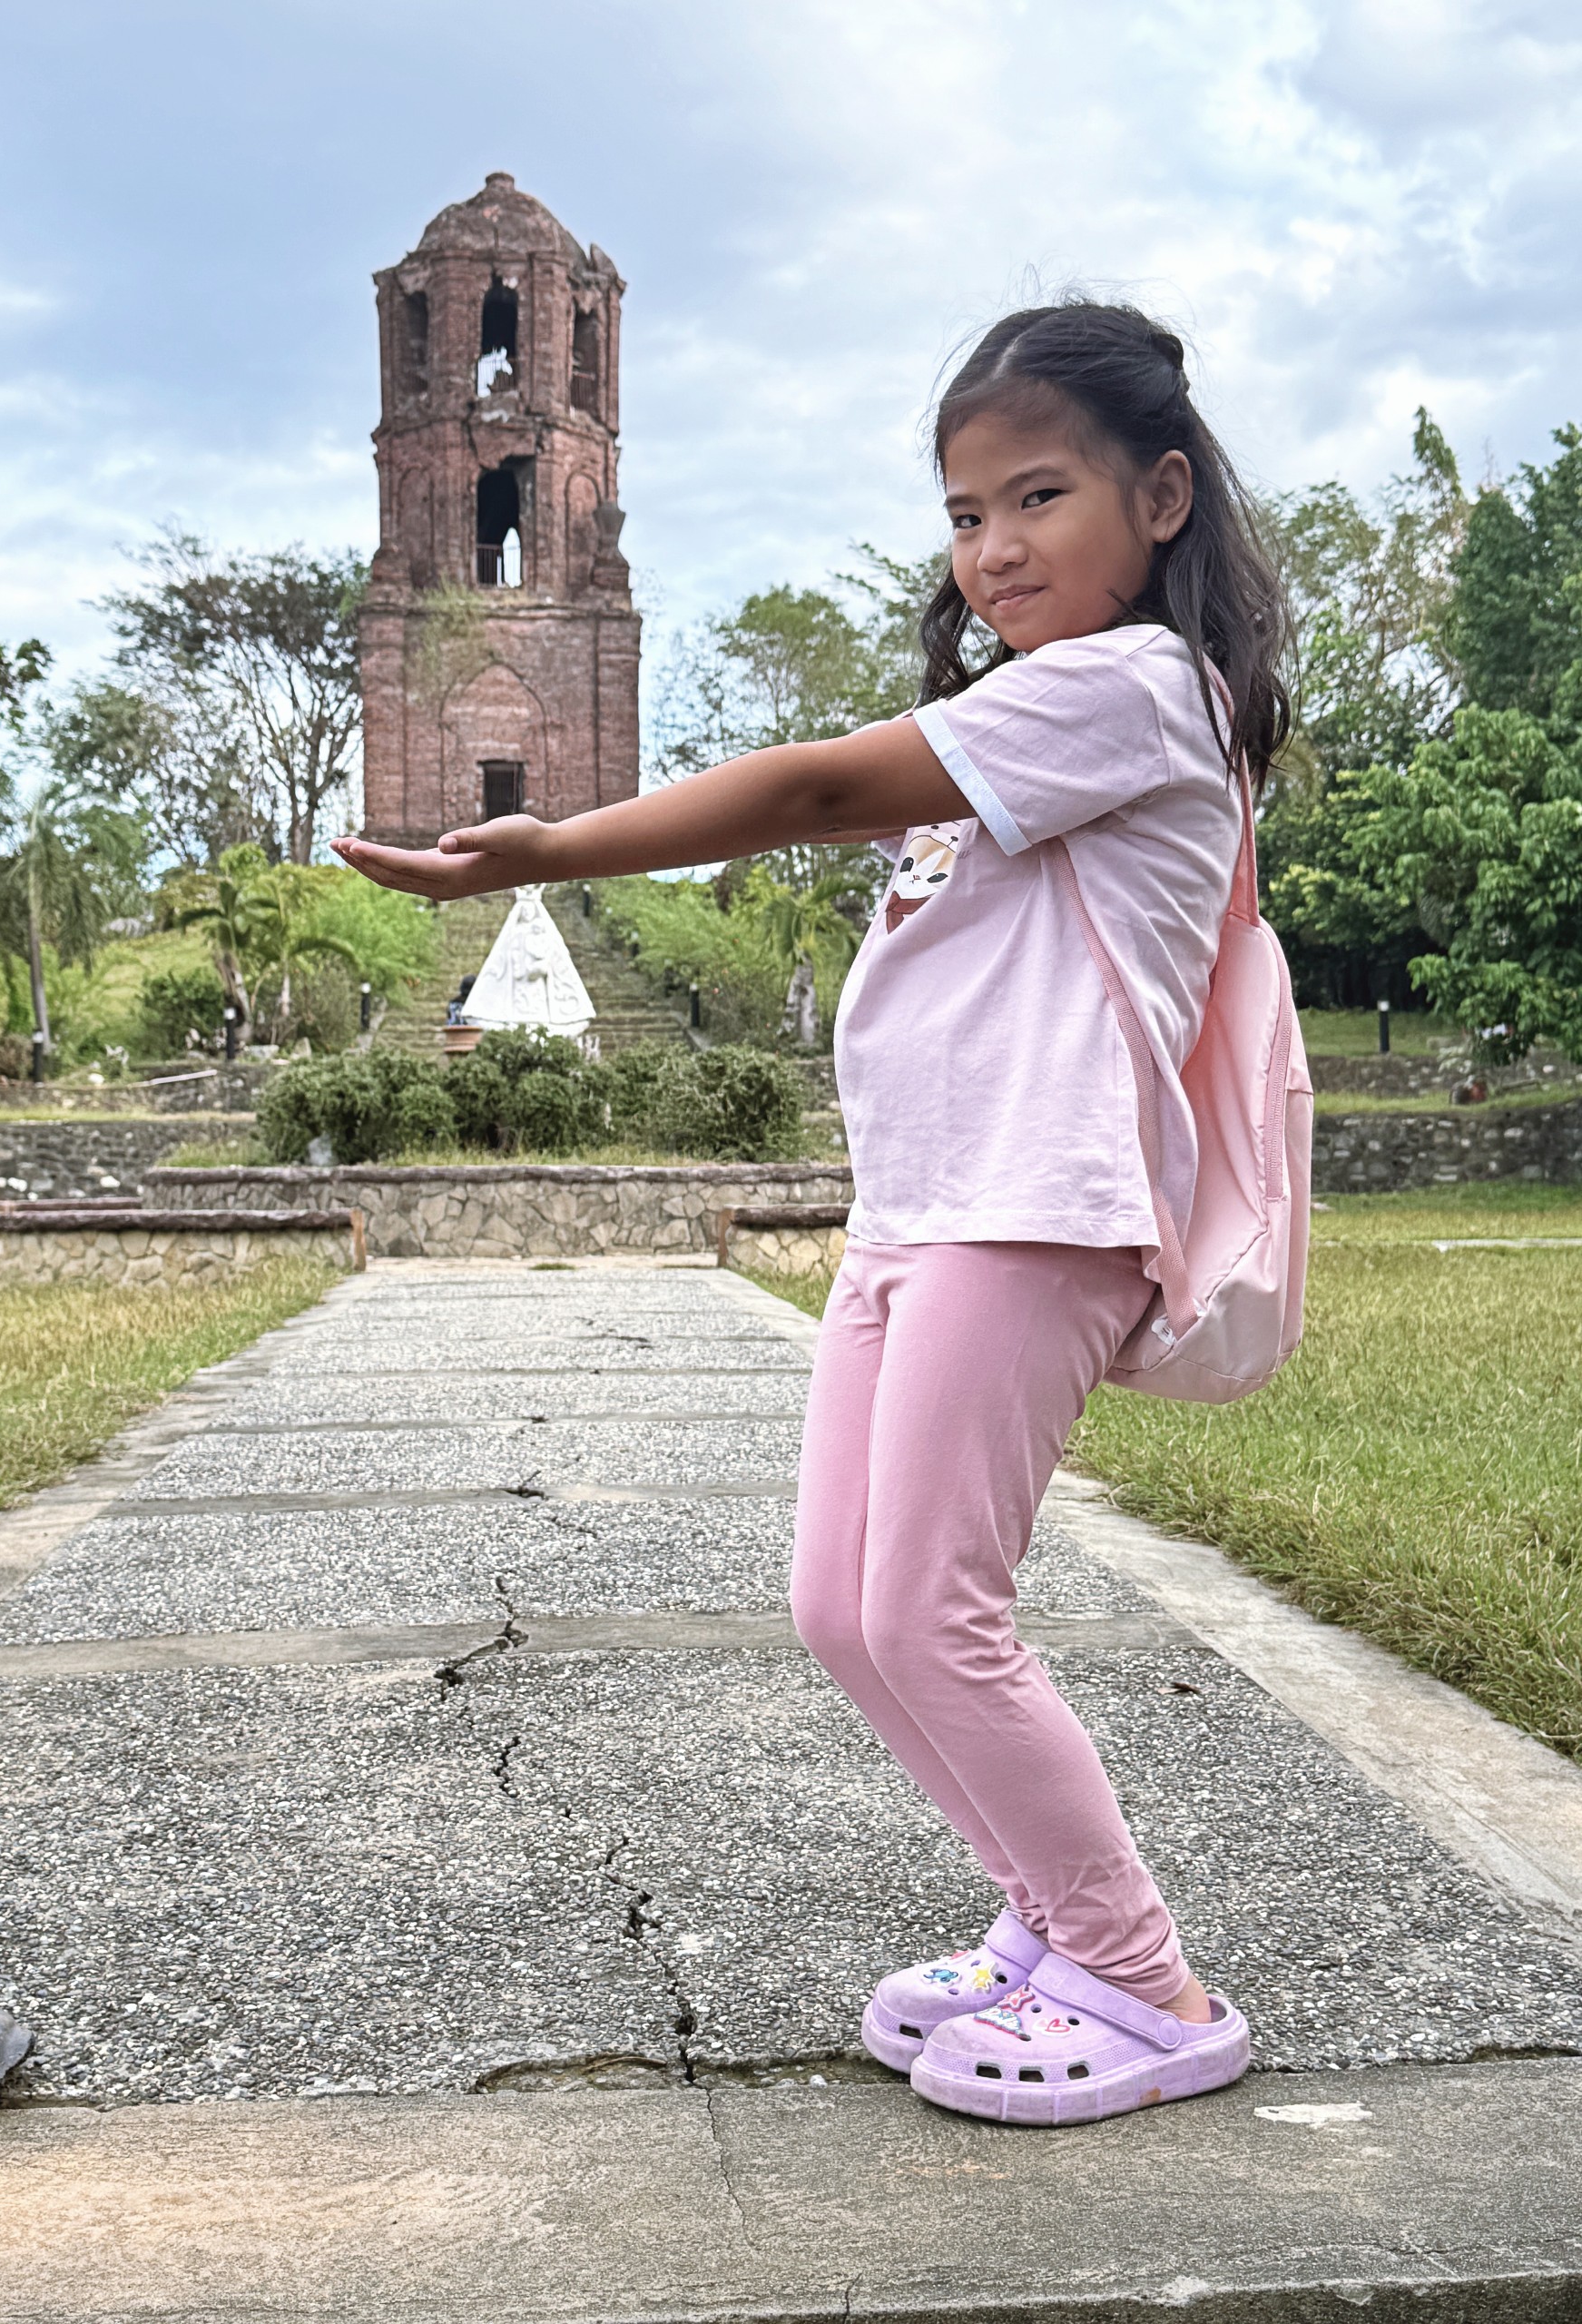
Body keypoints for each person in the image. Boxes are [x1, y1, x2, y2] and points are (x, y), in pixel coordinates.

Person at [333, 299, 1292, 2127]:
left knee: (934, 1609)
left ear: (1160, 495)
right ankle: (1044, 1917)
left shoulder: (1132, 689)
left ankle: (1143, 1977)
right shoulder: (1034, 704)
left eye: (1038, 496)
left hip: (1038, 1207)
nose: (994, 548)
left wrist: (547, 841)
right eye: (963, 514)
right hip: (926, 1209)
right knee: (844, 1607)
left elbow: (816, 786)